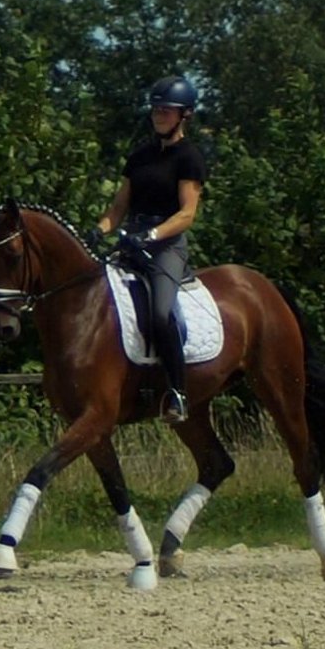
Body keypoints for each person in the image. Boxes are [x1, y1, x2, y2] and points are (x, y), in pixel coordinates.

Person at [86, 75, 208, 424]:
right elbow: (117, 209)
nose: (158, 115)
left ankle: (178, 392)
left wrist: (151, 234)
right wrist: (97, 231)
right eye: (155, 109)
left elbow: (186, 214)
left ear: (184, 115)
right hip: (131, 240)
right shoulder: (139, 155)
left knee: (159, 313)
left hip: (166, 246)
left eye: (165, 110)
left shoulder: (189, 157)